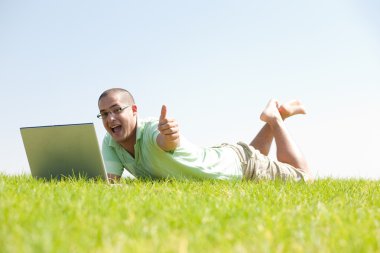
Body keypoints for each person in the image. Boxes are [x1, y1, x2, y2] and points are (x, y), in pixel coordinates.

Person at [97, 88, 313, 182]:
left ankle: (275, 119)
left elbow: (166, 142)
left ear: (134, 110)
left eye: (117, 110)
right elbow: (110, 184)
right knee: (253, 153)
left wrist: (170, 134)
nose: (110, 119)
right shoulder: (111, 142)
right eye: (104, 114)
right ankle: (280, 113)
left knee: (305, 178)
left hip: (240, 167)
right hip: (226, 156)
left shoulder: (153, 128)